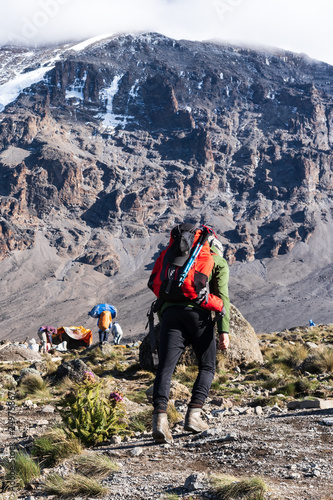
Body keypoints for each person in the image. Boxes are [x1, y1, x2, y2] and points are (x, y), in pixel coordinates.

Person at [151, 223, 230, 443]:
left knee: (166, 368)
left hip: (170, 314)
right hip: (199, 317)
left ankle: (159, 420)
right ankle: (194, 415)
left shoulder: (171, 256)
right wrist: (224, 331)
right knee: (207, 365)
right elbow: (223, 298)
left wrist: (165, 320)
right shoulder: (216, 260)